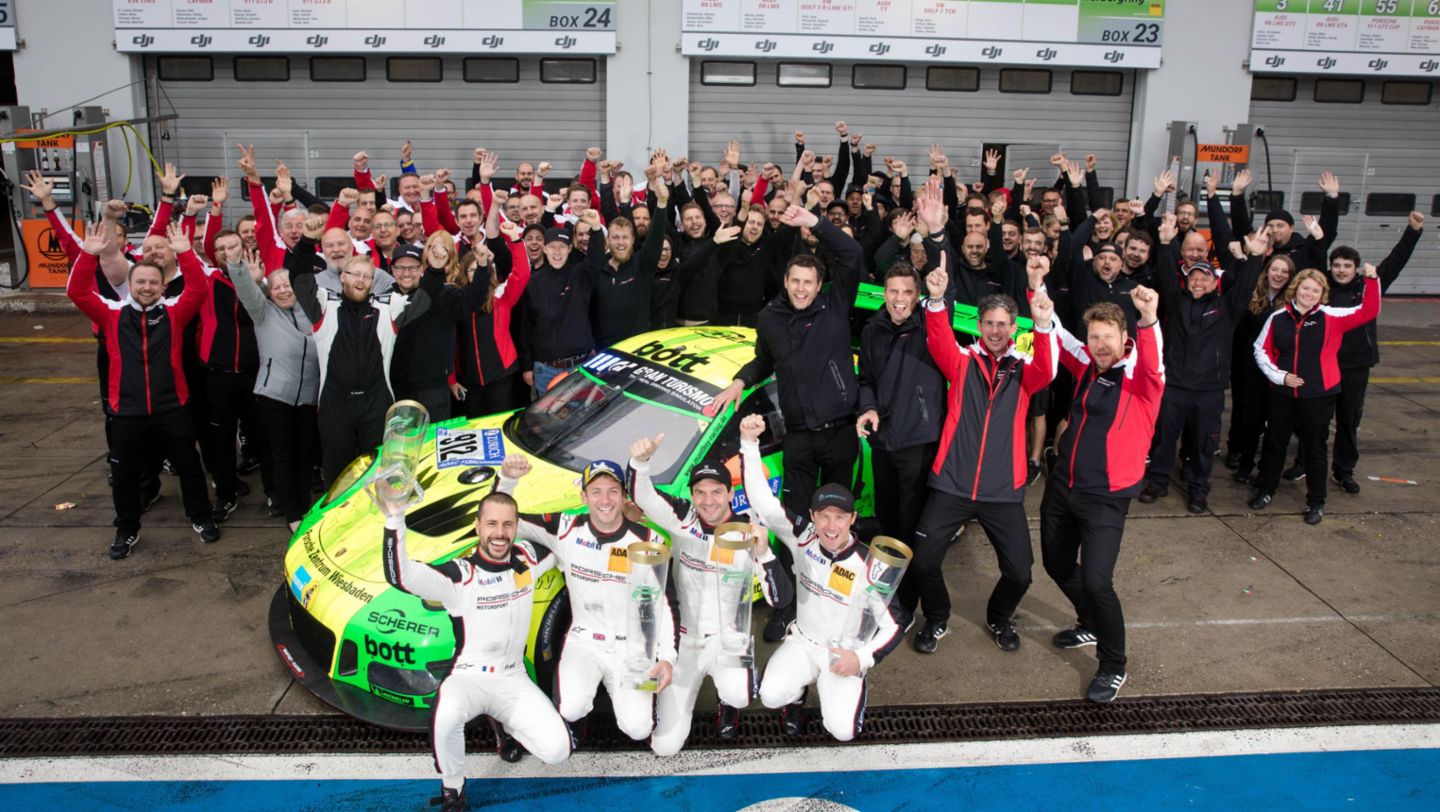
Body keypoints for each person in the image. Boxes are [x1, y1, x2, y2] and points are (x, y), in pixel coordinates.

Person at [706, 204, 864, 642]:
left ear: (819, 285)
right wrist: (741, 381)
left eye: (807, 282)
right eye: (794, 281)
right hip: (798, 437)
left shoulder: (835, 303)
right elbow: (763, 359)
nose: (800, 288)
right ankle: (787, 604)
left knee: (835, 521)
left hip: (838, 434)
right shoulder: (771, 317)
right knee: (789, 523)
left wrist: (814, 223)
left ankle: (834, 599)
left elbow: (850, 254)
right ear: (786, 282)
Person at [896, 259, 1059, 654]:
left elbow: (1049, 368)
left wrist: (1043, 323)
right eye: (989, 323)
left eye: (1004, 324)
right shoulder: (962, 362)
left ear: (1014, 328)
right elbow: (937, 340)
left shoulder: (1024, 371)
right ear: (980, 325)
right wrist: (935, 300)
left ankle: (999, 617)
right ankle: (937, 619)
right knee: (922, 563)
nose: (996, 330)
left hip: (1002, 491)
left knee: (1020, 573)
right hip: (951, 484)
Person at [375, 487, 570, 812]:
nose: (500, 533)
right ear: (477, 527)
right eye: (491, 524)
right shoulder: (460, 575)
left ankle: (504, 726)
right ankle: (453, 787)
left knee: (557, 751)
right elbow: (402, 575)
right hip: (468, 678)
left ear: (516, 526)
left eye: (508, 525)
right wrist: (395, 518)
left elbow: (568, 543)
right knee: (446, 717)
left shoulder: (527, 560)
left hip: (513, 678)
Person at [739, 415, 902, 741]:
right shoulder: (803, 535)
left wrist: (861, 659)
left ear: (853, 518)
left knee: (842, 731)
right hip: (802, 641)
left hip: (842, 653)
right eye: (823, 516)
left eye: (840, 517)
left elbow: (896, 624)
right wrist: (749, 443)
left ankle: (855, 684)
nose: (830, 526)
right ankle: (796, 697)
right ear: (812, 516)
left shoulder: (870, 564)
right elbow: (763, 502)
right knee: (770, 695)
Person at [627, 437, 792, 756]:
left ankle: (728, 702)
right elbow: (642, 495)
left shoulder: (748, 531)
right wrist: (640, 463)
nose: (709, 500)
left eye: (717, 491)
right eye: (700, 492)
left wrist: (764, 554)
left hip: (726, 638)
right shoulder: (681, 516)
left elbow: (780, 599)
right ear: (691, 495)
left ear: (731, 493)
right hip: (683, 640)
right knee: (664, 746)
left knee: (740, 694)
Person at [497, 456, 675, 745]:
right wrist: (508, 480)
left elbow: (662, 605)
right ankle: (576, 721)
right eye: (596, 491)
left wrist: (667, 658)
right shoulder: (566, 529)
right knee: (571, 707)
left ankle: (646, 702)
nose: (605, 500)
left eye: (612, 491)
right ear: (584, 496)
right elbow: (506, 521)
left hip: (632, 647)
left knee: (639, 728)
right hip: (585, 641)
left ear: (623, 495)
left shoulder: (649, 539)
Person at [1042, 286, 1165, 703]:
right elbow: (1058, 335)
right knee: (1057, 563)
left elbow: (1152, 360)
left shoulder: (1141, 378)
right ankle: (1089, 622)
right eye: (1094, 337)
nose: (1099, 345)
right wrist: (1037, 289)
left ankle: (1113, 665)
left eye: (1107, 337)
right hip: (1064, 486)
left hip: (1106, 497)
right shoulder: (1088, 366)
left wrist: (1149, 318)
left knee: (1097, 581)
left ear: (1124, 337)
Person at [67, 225, 220, 559]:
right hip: (127, 413)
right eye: (141, 282)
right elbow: (78, 292)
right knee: (124, 476)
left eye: (153, 283)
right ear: (130, 286)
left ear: (163, 286)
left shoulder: (174, 314)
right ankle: (126, 530)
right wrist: (87, 255)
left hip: (172, 408)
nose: (147, 288)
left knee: (189, 467)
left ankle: (201, 517)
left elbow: (197, 289)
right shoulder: (111, 315)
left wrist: (186, 253)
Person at [1139, 219, 1269, 513]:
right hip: (1174, 385)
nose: (1198, 282)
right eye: (1194, 278)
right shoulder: (1176, 301)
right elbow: (1165, 274)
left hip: (1208, 390)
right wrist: (1164, 243)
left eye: (1205, 279)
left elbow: (1247, 285)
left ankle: (1198, 490)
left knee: (1203, 444)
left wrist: (1257, 257)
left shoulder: (1227, 307)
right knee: (1163, 440)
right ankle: (1157, 483)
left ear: (1214, 283)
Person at [1249, 265, 1381, 524]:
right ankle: (1266, 490)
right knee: (1275, 444)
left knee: (1315, 449)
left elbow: (1369, 311)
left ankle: (1316, 501)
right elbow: (1260, 350)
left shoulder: (1332, 317)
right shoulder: (1277, 318)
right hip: (1283, 394)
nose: (1309, 293)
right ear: (1295, 288)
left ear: (1322, 294)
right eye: (1305, 287)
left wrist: (1373, 280)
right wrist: (1281, 377)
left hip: (1318, 396)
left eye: (1315, 289)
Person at [289, 251, 430, 486]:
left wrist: (434, 270)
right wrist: (305, 242)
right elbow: (300, 281)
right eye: (356, 274)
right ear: (343, 276)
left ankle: (374, 519)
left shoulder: (388, 305)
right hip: (335, 405)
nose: (361, 280)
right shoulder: (324, 303)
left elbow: (423, 301)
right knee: (337, 473)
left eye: (367, 276)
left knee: (377, 470)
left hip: (376, 402)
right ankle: (336, 520)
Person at [1324, 212, 1424, 493]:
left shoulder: (1369, 287)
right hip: (1325, 364)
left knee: (1349, 420)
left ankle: (1343, 470)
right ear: (1329, 267)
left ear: (1356, 268)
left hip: (1356, 366)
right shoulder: (1320, 288)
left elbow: (1396, 261)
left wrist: (1413, 231)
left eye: (1347, 266)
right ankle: (1306, 463)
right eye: (1336, 265)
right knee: (1316, 420)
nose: (1341, 270)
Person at [856, 262, 945, 561]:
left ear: (918, 295)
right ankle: (888, 576)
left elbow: (946, 301)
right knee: (886, 513)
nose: (899, 298)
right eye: (893, 290)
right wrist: (867, 408)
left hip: (917, 441)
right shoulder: (872, 330)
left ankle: (910, 589)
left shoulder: (930, 327)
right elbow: (865, 379)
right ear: (883, 293)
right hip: (882, 439)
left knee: (913, 516)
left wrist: (936, 233)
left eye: (907, 292)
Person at [226, 251, 319, 532]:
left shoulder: (310, 312)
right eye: (276, 286)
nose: (282, 291)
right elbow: (246, 291)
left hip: (308, 397)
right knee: (283, 455)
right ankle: (291, 512)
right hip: (274, 396)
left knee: (305, 455)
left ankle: (305, 506)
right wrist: (238, 268)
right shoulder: (263, 312)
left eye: (287, 285)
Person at [454, 222, 532, 417]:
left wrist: (515, 240)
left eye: (478, 269)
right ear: (464, 273)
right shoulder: (458, 298)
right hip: (470, 380)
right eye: (470, 270)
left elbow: (522, 274)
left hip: (500, 376)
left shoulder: (500, 295)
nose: (474, 274)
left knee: (500, 423)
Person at [520, 227, 595, 395]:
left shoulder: (580, 274)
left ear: (569, 249)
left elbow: (596, 259)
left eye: (562, 246)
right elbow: (526, 327)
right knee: (547, 420)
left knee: (583, 418)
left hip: (580, 366)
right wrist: (526, 366)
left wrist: (596, 229)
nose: (557, 252)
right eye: (552, 246)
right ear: (544, 248)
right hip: (546, 370)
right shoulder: (533, 282)